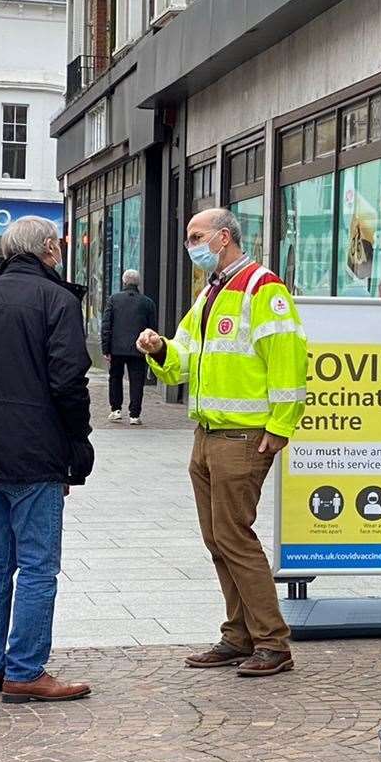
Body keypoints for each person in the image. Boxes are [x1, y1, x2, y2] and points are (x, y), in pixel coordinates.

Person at [137, 208, 307, 678]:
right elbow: (185, 356)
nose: (190, 244)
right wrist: (160, 349)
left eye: (196, 236)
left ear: (223, 238)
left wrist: (280, 426)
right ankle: (239, 635)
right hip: (208, 433)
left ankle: (272, 642)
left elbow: (289, 360)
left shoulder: (262, 287)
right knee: (218, 539)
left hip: (242, 434)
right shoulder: (212, 292)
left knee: (235, 537)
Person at [0, 216, 94, 704]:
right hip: (35, 449)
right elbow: (68, 380)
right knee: (35, 564)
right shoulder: (59, 300)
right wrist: (78, 443)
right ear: (49, 249)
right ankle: (26, 669)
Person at [101, 268, 157, 426]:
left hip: (116, 348)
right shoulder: (147, 302)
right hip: (139, 349)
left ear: (124, 282)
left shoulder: (114, 299)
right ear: (138, 283)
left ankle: (116, 410)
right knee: (137, 381)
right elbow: (152, 329)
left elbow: (106, 325)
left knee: (115, 378)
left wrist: (106, 348)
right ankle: (134, 415)